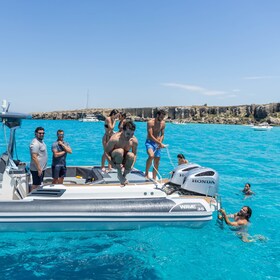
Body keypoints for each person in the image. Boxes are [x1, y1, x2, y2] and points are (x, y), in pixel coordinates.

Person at [105, 120, 138, 186]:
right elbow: (106, 153)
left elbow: (135, 154)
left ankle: (124, 175)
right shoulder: (115, 139)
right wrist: (112, 164)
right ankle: (119, 174)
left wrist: (131, 166)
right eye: (128, 134)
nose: (130, 137)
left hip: (124, 160)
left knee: (131, 155)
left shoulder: (134, 141)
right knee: (120, 151)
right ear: (123, 131)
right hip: (115, 159)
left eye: (132, 134)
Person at [145, 109, 167, 179]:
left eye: (163, 118)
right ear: (157, 115)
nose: (162, 119)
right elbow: (150, 135)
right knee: (151, 156)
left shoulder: (163, 123)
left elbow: (162, 134)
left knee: (157, 161)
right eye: (161, 117)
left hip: (158, 143)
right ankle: (146, 173)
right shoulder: (150, 122)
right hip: (150, 142)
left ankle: (154, 177)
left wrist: (160, 142)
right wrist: (159, 143)